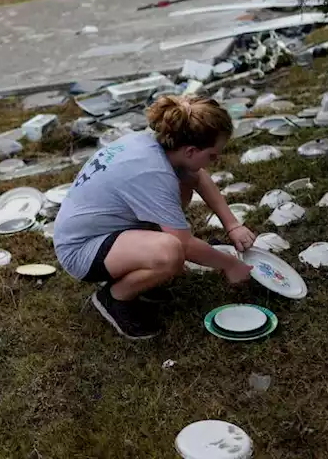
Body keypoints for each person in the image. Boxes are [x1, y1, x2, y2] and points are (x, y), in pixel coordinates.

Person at [54, 94, 254, 339]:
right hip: (81, 251)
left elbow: (197, 176)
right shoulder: (151, 172)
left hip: (106, 230)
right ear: (190, 150)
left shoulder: (157, 144)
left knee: (187, 180)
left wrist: (232, 225)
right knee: (170, 253)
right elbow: (184, 244)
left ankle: (142, 276)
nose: (216, 160)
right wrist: (230, 264)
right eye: (213, 154)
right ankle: (115, 296)